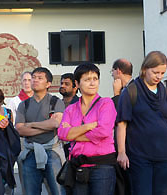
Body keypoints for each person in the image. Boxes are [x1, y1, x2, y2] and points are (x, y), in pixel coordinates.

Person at [58, 63, 117, 195]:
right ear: (77, 84)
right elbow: (62, 134)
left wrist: (73, 133)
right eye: (87, 79)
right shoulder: (71, 109)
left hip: (102, 166)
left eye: (95, 79)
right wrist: (88, 126)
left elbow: (103, 131)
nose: (92, 83)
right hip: (78, 166)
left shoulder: (106, 103)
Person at [117, 51, 167, 195]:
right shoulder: (131, 92)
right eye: (155, 72)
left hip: (164, 157)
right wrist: (122, 152)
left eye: (162, 73)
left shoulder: (164, 91)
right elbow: (121, 124)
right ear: (145, 69)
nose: (159, 76)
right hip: (140, 158)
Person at [16, 67, 66, 195]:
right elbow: (20, 129)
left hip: (52, 152)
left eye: (40, 78)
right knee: (30, 192)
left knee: (58, 191)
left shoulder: (55, 102)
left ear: (48, 84)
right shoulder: (24, 105)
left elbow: (55, 123)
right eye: (33, 78)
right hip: (30, 152)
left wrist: (31, 124)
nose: (35, 80)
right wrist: (46, 126)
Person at [111, 59, 133, 195]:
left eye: (112, 72)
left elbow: (119, 117)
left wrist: (116, 95)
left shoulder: (131, 89)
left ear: (118, 71)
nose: (112, 75)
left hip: (130, 145)